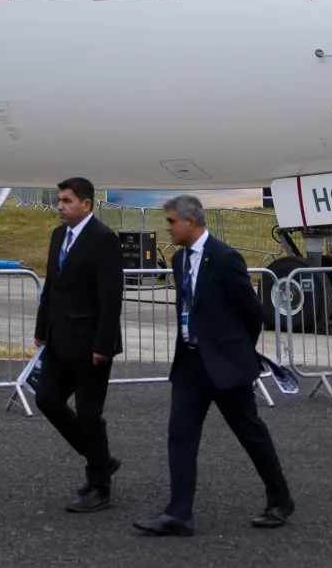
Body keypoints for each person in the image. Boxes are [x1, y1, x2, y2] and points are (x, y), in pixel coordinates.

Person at [133, 193, 293, 537]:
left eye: (171, 222)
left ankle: (280, 499)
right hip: (190, 364)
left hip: (224, 364)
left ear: (191, 222)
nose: (168, 229)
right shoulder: (177, 260)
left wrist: (234, 351)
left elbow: (252, 313)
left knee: (250, 433)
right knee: (181, 436)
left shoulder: (224, 258)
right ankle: (178, 514)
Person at [31, 176, 123, 512]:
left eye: (67, 201)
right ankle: (101, 459)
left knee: (88, 414)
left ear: (86, 204)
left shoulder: (103, 240)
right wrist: (42, 329)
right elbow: (51, 287)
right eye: (59, 201)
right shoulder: (58, 237)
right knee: (47, 400)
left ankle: (99, 486)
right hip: (58, 339)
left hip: (91, 345)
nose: (60, 207)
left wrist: (104, 344)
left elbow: (111, 297)